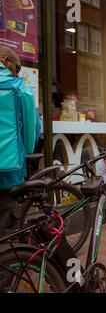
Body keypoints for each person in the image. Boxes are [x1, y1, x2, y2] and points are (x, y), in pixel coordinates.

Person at [0, 45, 40, 236]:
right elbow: (32, 128)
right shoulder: (19, 87)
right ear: (6, 62)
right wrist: (28, 150)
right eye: (17, 68)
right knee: (7, 218)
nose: (17, 73)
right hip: (10, 167)